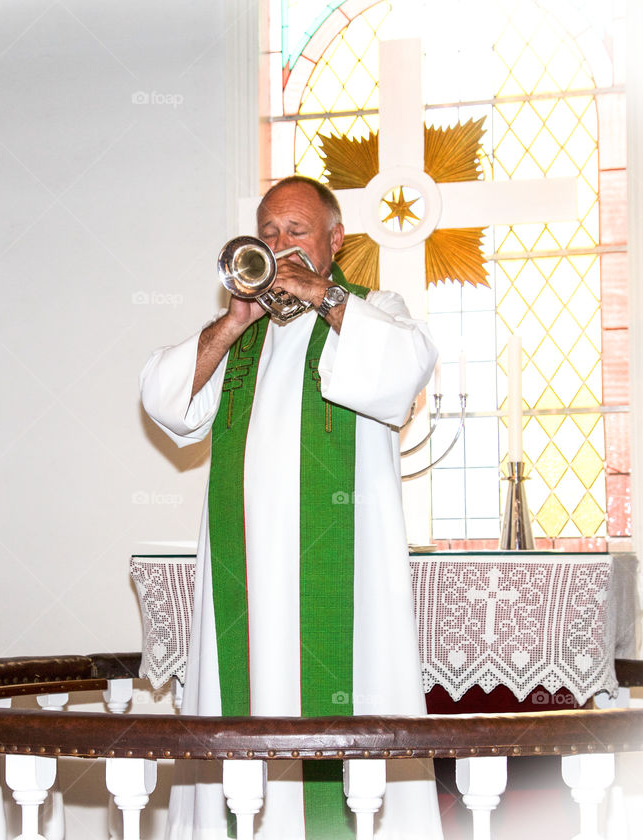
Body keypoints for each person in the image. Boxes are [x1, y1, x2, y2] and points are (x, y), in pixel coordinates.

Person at [140, 175, 444, 840]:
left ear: (335, 241)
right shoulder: (240, 335)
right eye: (269, 233)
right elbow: (164, 402)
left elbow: (407, 363)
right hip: (243, 588)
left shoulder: (372, 311)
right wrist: (233, 319)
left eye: (297, 232)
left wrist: (322, 296)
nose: (280, 247)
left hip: (341, 587)